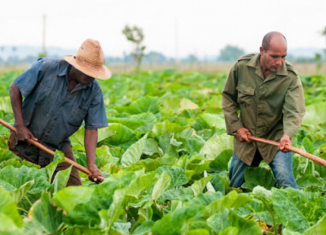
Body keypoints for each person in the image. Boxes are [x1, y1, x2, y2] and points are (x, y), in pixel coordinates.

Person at [8, 39, 111, 186]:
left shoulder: (94, 91)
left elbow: (91, 129)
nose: (92, 77)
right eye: (89, 72)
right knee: (25, 186)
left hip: (57, 147)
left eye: (95, 74)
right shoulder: (46, 68)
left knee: (73, 192)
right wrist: (20, 126)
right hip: (24, 142)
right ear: (77, 65)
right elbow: (15, 88)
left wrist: (91, 165)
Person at [222, 31, 306, 189]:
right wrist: (236, 127)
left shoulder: (291, 76)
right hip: (247, 137)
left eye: (283, 56)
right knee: (235, 184)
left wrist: (287, 135)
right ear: (262, 51)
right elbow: (228, 98)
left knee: (285, 180)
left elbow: (294, 111)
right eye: (275, 56)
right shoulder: (242, 67)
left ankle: (298, 210)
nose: (279, 62)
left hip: (276, 138)